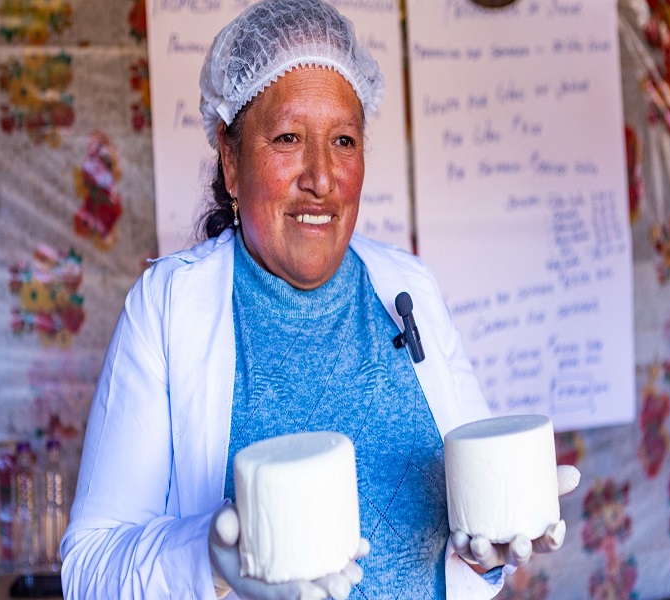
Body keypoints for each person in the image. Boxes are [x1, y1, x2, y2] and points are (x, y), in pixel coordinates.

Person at [59, 0, 580, 598]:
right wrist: (211, 553)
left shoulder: (409, 290)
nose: (322, 176)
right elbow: (89, 569)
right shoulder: (168, 308)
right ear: (231, 161)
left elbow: (477, 511)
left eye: (343, 140)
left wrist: (489, 549)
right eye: (287, 138)